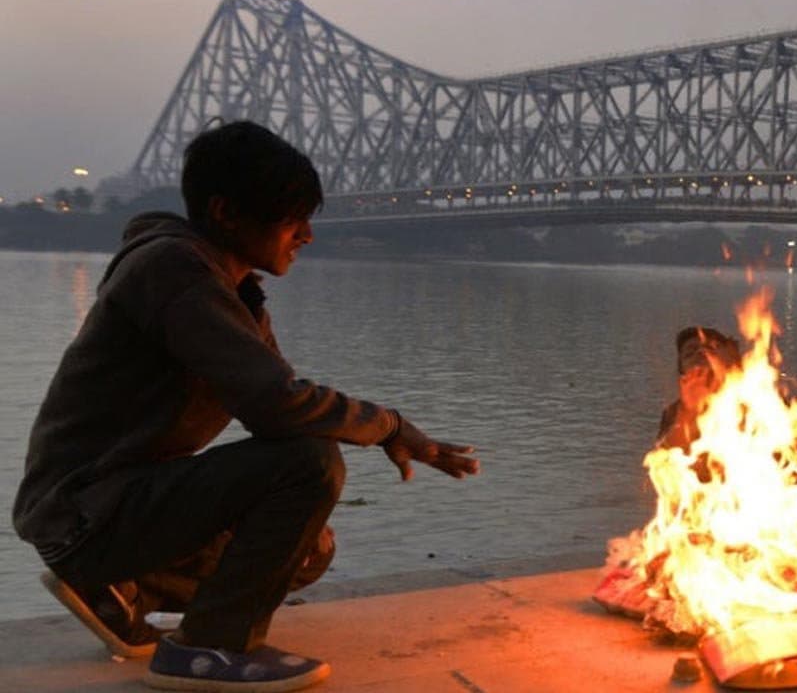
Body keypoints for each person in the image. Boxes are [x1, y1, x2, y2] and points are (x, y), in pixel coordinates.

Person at [12, 120, 479, 691]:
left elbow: (282, 393)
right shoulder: (173, 270)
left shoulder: (232, 291)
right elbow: (276, 406)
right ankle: (210, 647)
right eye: (292, 217)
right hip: (82, 513)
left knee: (310, 549)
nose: (306, 234)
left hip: (106, 507)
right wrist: (389, 426)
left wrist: (388, 430)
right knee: (309, 462)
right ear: (226, 213)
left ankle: (123, 591)